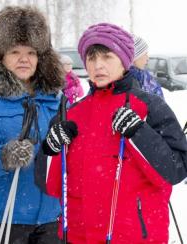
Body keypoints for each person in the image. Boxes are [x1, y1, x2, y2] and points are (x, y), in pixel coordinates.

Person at [35, 23, 187, 243]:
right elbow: (47, 184)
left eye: (107, 57)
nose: (98, 65)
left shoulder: (149, 106)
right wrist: (50, 150)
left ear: (124, 61)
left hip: (135, 236)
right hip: (80, 235)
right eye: (91, 58)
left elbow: (176, 170)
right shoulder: (72, 113)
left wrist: (139, 133)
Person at [0, 6, 64, 244]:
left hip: (50, 216)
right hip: (2, 218)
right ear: (0, 56)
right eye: (15, 51)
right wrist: (2, 156)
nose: (24, 59)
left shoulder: (56, 99)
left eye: (31, 52)